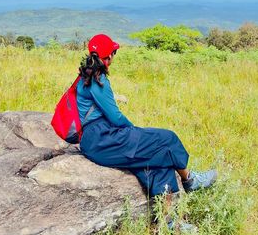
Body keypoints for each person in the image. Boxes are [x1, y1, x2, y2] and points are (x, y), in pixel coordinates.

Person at [77, 33, 217, 209]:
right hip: (103, 138)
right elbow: (116, 117)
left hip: (94, 140)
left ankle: (168, 223)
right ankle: (189, 180)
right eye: (114, 52)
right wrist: (134, 130)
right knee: (168, 138)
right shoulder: (99, 80)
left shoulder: (86, 76)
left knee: (159, 158)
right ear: (109, 56)